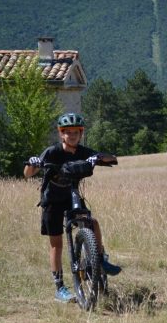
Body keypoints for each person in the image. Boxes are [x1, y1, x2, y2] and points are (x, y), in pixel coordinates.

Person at [24, 112, 121, 303]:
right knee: (56, 244)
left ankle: (99, 258)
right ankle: (59, 288)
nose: (72, 136)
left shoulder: (83, 152)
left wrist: (99, 157)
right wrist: (34, 163)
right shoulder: (52, 152)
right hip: (52, 200)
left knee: (92, 223)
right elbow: (27, 172)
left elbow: (113, 159)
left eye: (76, 132)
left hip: (72, 196)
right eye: (67, 132)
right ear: (61, 134)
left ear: (81, 133)